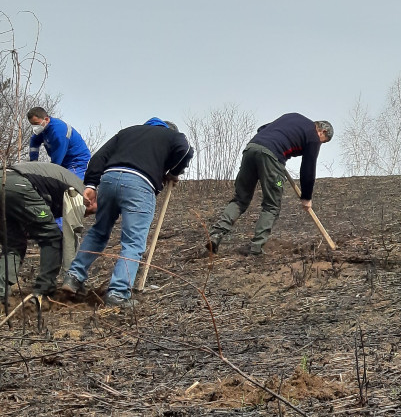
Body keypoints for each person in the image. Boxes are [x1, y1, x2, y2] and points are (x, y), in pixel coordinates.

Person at [61, 118, 193, 307]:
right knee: (133, 241)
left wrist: (90, 183)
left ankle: (73, 277)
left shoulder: (127, 132)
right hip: (140, 185)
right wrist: (173, 171)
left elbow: (99, 156)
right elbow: (187, 150)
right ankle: (118, 293)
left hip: (109, 179)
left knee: (99, 231)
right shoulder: (172, 135)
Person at [207, 114, 333, 255]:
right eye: (324, 142)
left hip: (251, 149)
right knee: (272, 205)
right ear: (323, 132)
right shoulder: (314, 137)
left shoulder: (294, 116)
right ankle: (256, 248)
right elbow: (308, 168)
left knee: (240, 199)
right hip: (271, 158)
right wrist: (306, 197)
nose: (320, 144)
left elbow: (262, 128)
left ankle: (215, 235)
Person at [2, 162, 94, 300]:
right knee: (52, 237)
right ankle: (44, 289)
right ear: (93, 199)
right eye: (90, 212)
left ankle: (1, 291)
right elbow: (71, 236)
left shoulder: (64, 187)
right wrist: (72, 276)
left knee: (13, 244)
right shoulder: (81, 194)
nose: (86, 216)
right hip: (19, 185)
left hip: (4, 180)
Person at [26, 107, 91, 180]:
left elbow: (56, 161)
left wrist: (49, 174)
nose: (35, 127)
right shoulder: (43, 128)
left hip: (78, 162)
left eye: (36, 124)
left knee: (71, 184)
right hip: (64, 162)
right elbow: (34, 141)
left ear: (46, 119)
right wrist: (33, 161)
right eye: (32, 125)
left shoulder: (58, 132)